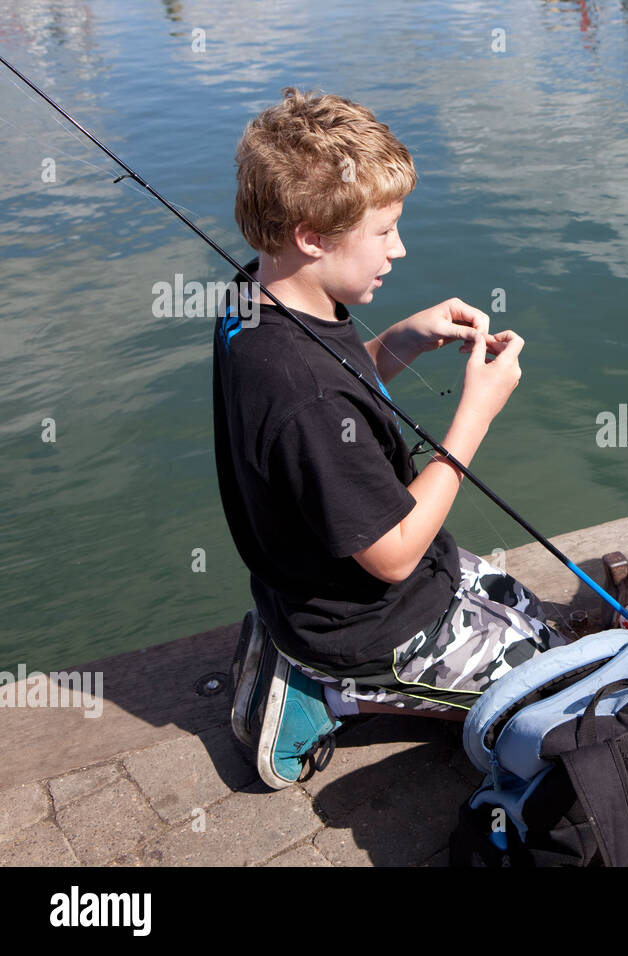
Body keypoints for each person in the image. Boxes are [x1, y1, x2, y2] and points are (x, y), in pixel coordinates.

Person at [212, 88, 569, 789]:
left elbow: (332, 414)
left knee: (534, 617)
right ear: (312, 235)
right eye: (383, 233)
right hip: (367, 618)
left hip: (319, 577)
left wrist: (403, 339)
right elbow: (396, 556)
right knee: (556, 702)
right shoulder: (297, 387)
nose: (399, 249)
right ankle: (332, 690)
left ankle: (300, 649)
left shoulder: (263, 298)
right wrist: (477, 412)